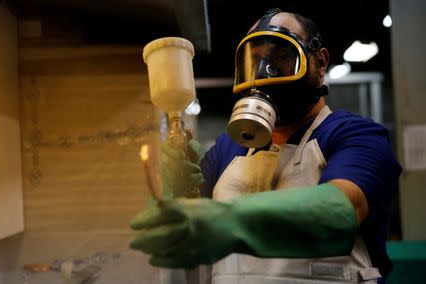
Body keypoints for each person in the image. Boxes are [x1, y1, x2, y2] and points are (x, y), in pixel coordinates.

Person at [130, 8, 402, 284]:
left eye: (282, 56)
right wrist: (174, 189)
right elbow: (179, 226)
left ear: (320, 62)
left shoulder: (355, 134)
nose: (264, 73)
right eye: (254, 60)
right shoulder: (229, 147)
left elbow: (343, 210)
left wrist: (229, 220)